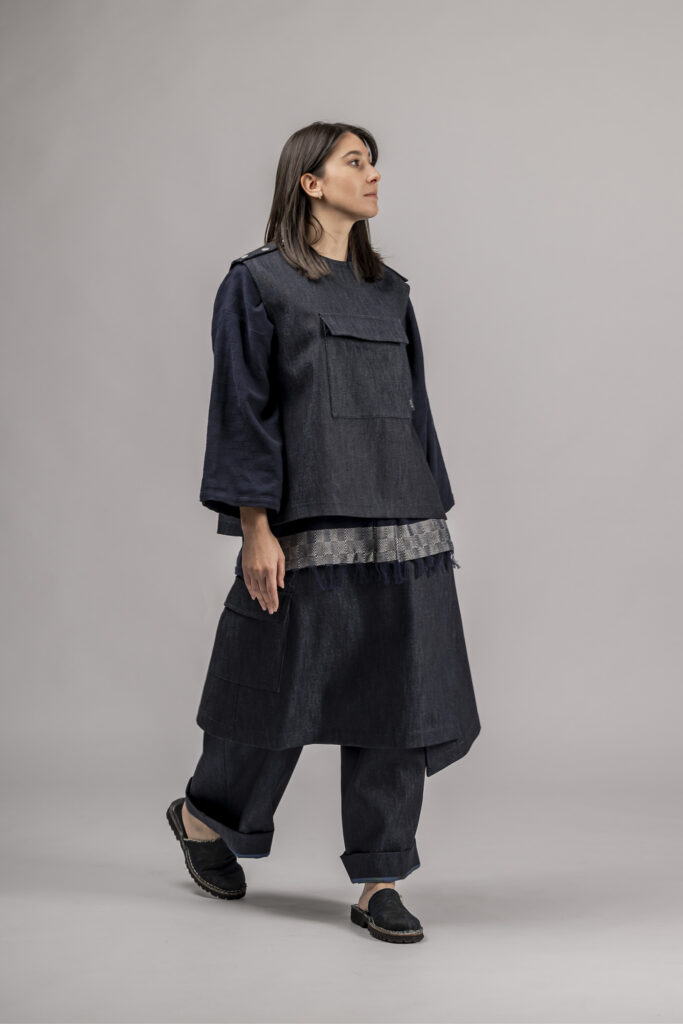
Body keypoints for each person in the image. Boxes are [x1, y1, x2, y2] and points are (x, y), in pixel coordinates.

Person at [166, 121, 481, 944]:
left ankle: (381, 878)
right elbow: (243, 410)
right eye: (354, 161)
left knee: (400, 705)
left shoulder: (389, 293)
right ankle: (204, 817)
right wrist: (254, 528)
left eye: (372, 162)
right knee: (272, 699)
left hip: (404, 531)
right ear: (309, 181)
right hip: (307, 529)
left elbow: (415, 413)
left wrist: (432, 513)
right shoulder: (258, 284)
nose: (372, 174)